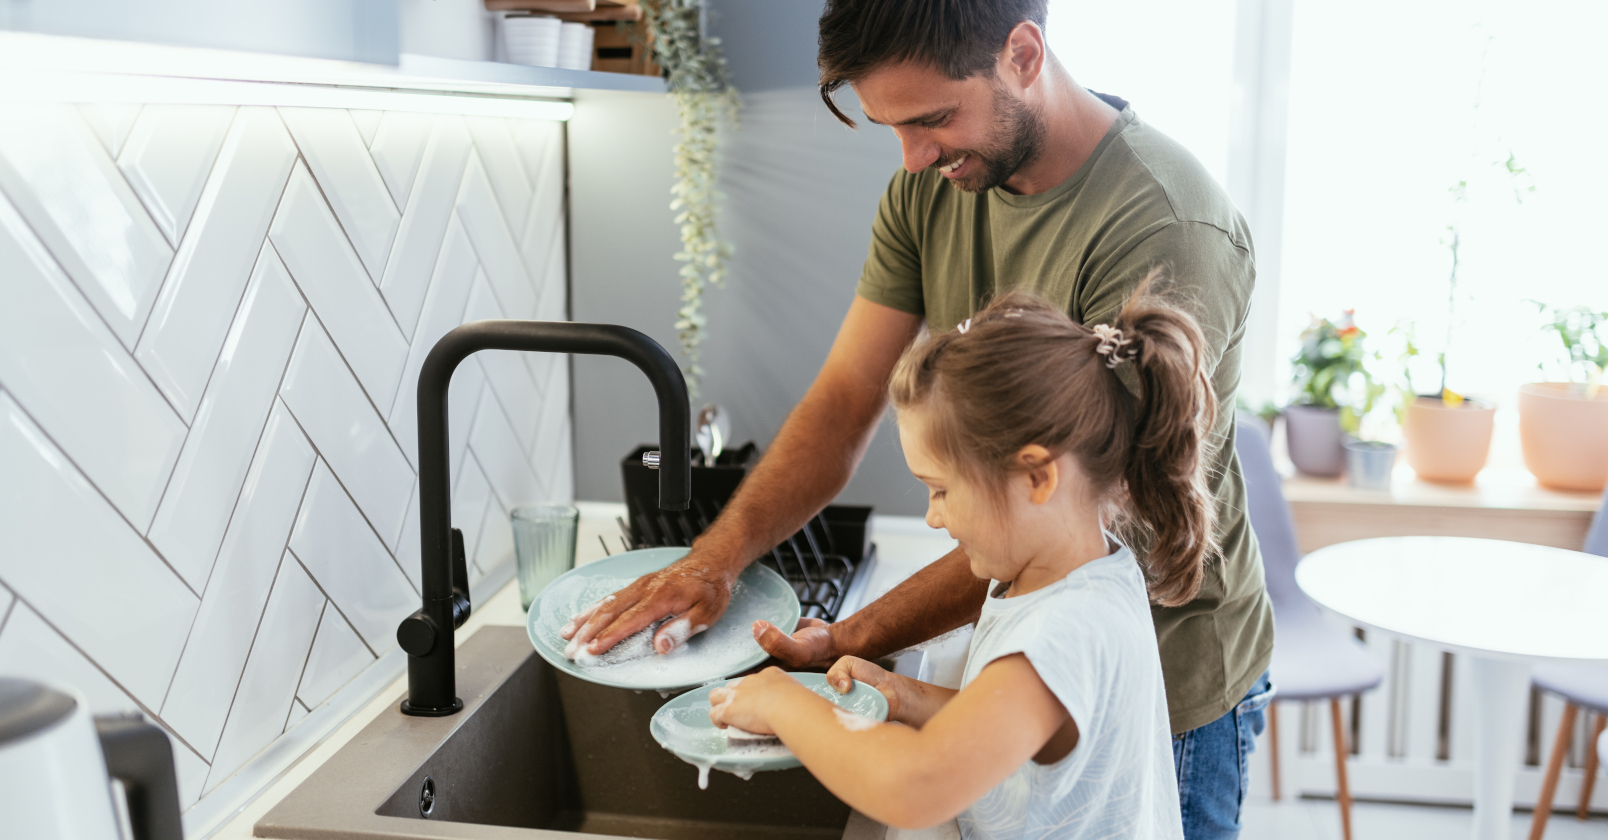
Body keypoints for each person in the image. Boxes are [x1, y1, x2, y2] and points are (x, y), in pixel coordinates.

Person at [561, 2, 1275, 836]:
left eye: (933, 118)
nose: (914, 157)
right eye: (891, 127)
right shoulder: (931, 183)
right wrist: (714, 561)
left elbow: (1091, 519)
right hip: (1027, 663)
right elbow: (841, 402)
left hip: (1167, 686)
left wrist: (844, 645)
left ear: (1022, 52)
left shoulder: (1164, 227)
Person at [707, 286, 1208, 839]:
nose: (932, 517)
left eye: (941, 490)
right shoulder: (1072, 575)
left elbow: (915, 787)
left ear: (1037, 477)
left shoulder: (1063, 632)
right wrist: (903, 695)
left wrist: (781, 703)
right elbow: (1008, 731)